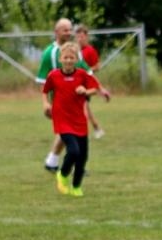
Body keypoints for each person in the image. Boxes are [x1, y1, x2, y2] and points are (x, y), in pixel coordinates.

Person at [42, 42, 109, 197]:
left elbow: (94, 89)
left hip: (79, 120)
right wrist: (46, 103)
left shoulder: (82, 75)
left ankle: (76, 186)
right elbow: (45, 91)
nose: (69, 60)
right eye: (66, 57)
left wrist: (85, 91)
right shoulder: (53, 76)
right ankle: (63, 174)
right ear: (60, 59)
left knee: (82, 157)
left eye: (72, 57)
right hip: (62, 120)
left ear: (76, 59)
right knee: (73, 150)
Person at [38, 18, 77, 172]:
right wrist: (45, 102)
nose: (68, 33)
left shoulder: (73, 50)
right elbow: (43, 80)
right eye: (65, 30)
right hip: (58, 101)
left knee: (66, 131)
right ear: (56, 32)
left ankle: (52, 162)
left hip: (73, 99)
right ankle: (73, 164)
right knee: (71, 131)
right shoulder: (49, 53)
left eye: (70, 29)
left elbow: (82, 72)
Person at [73, 21, 107, 139]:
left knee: (84, 107)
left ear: (86, 37)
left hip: (85, 84)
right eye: (77, 37)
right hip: (74, 83)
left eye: (81, 37)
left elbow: (97, 67)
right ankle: (96, 128)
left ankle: (82, 131)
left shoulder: (90, 50)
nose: (79, 39)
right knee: (84, 107)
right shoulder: (73, 50)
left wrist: (85, 71)